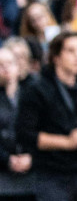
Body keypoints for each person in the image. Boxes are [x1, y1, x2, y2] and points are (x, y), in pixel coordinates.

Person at [16, 32, 77, 201]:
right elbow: (25, 134)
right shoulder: (37, 90)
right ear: (56, 57)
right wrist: (68, 142)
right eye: (71, 51)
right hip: (52, 174)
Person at [0, 47, 33, 201]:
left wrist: (31, 156)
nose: (5, 68)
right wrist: (7, 159)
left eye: (9, 63)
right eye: (0, 65)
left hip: (33, 178)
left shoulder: (32, 94)